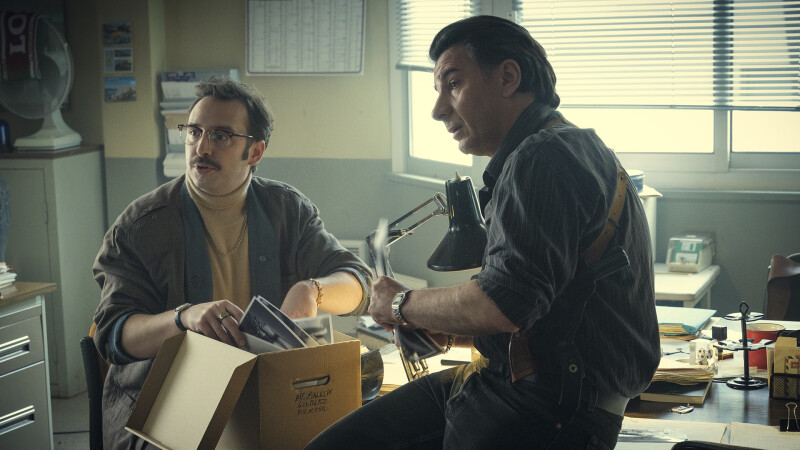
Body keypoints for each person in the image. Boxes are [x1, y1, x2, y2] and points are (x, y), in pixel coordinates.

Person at [307, 15, 659, 449]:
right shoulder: (569, 147)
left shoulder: (542, 157)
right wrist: (449, 324)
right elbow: (544, 303)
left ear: (508, 77)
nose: (438, 109)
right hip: (524, 388)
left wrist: (400, 304)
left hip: (548, 411)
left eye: (453, 84)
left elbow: (503, 304)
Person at [92, 78, 372, 448]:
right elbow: (113, 335)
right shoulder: (140, 226)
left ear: (254, 152)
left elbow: (359, 283)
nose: (202, 147)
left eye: (221, 136)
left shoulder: (287, 210)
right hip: (161, 409)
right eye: (194, 132)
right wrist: (183, 318)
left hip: (266, 398)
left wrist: (312, 291)